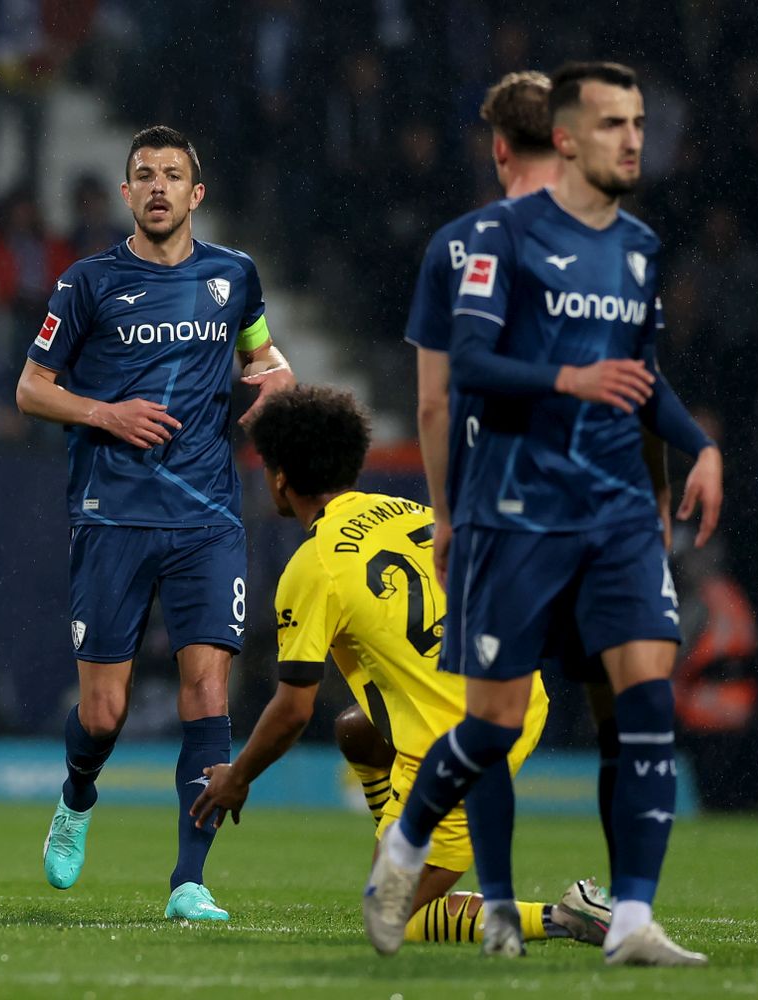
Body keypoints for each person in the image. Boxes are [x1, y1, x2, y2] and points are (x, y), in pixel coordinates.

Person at [363, 62, 723, 966]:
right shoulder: (487, 241)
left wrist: (700, 446)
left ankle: (631, 916)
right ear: (564, 138)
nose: (636, 139)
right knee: (492, 726)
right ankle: (406, 849)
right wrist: (454, 509)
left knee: (646, 710)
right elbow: (465, 373)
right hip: (518, 513)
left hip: (616, 517)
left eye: (640, 122)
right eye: (614, 124)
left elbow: (640, 380)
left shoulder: (638, 245)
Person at [191, 386, 610, 947]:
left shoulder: (312, 567)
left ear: (282, 477)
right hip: (515, 690)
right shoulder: (412, 510)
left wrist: (236, 779)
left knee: (389, 919)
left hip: (458, 745)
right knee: (357, 730)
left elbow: (292, 709)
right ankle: (403, 836)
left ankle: (565, 916)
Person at [15, 125, 296, 921]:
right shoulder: (89, 284)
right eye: (145, 175)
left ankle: (189, 880)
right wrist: (105, 412)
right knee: (103, 711)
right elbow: (31, 390)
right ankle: (76, 798)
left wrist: (276, 381)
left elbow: (263, 358)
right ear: (128, 193)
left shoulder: (233, 275)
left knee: (207, 688)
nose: (160, 187)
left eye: (175, 175)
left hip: (208, 515)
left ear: (196, 193)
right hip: (113, 513)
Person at [405, 70, 653, 898]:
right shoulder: (614, 239)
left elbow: (436, 400)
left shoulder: (464, 243)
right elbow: (638, 388)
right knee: (622, 718)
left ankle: (502, 907)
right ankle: (628, 909)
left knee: (491, 718)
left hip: (501, 515)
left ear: (500, 146)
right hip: (604, 511)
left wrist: (444, 514)